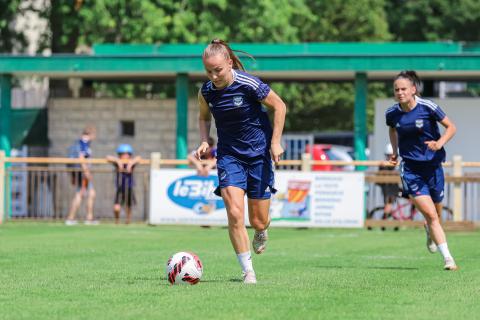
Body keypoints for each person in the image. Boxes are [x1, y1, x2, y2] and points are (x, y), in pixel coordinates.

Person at [195, 39, 286, 284]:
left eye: (218, 70)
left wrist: (275, 142)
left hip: (258, 156)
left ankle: (261, 230)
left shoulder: (249, 84)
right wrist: (205, 140)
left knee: (258, 220)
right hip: (229, 156)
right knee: (234, 213)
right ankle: (248, 271)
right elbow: (203, 118)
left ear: (229, 62)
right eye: (208, 71)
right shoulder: (206, 91)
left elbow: (280, 106)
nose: (213, 76)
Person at [385, 70, 458, 270]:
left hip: (434, 167)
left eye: (403, 89)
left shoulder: (428, 107)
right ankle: (448, 259)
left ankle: (429, 231)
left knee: (437, 214)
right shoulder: (392, 113)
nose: (400, 92)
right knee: (431, 215)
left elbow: (451, 127)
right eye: (396, 89)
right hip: (410, 170)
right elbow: (392, 129)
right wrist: (395, 152)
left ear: (413, 90)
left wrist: (439, 142)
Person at [65, 126, 97, 225]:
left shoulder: (79, 142)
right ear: (91, 134)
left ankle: (86, 217)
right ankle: (73, 218)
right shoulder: (84, 142)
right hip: (82, 172)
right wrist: (86, 171)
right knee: (82, 194)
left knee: (88, 193)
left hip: (79, 171)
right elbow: (81, 157)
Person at [106, 144, 141, 224]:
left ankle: (128, 220)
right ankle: (117, 220)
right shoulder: (118, 162)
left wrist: (131, 163)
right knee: (116, 207)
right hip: (120, 187)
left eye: (127, 154)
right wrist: (118, 161)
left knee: (128, 206)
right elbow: (107, 157)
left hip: (129, 187)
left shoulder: (131, 162)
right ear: (119, 155)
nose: (125, 156)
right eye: (123, 154)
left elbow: (139, 158)